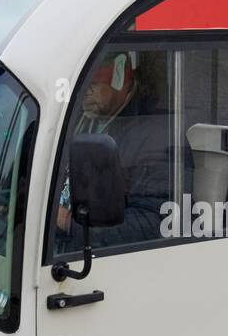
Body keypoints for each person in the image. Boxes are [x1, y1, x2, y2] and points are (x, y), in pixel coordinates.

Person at [55, 51, 171, 252]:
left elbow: (153, 222)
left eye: (93, 86)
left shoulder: (155, 135)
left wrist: (66, 222)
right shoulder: (81, 122)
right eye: (81, 87)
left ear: (119, 78)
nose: (84, 94)